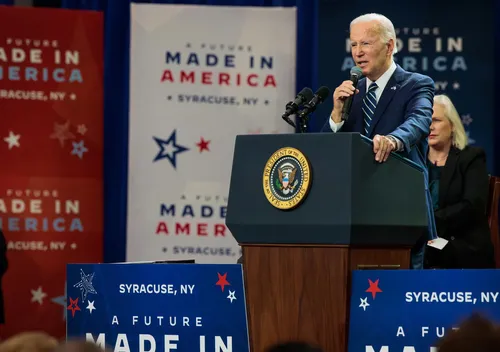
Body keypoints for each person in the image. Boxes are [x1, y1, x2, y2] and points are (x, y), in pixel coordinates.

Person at [321, 13, 437, 268]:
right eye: (354, 44)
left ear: (390, 46)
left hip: (402, 210)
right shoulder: (351, 92)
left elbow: (419, 121)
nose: (358, 52)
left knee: (403, 293)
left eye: (366, 44)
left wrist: (393, 140)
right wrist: (336, 115)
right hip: (356, 215)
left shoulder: (416, 85)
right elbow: (325, 151)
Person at [424, 95, 495, 269]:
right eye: (426, 120)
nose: (430, 127)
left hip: (460, 242)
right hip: (422, 239)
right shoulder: (415, 161)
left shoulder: (471, 157)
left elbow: (472, 205)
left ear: (453, 125)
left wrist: (430, 222)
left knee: (430, 251)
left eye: (436, 120)